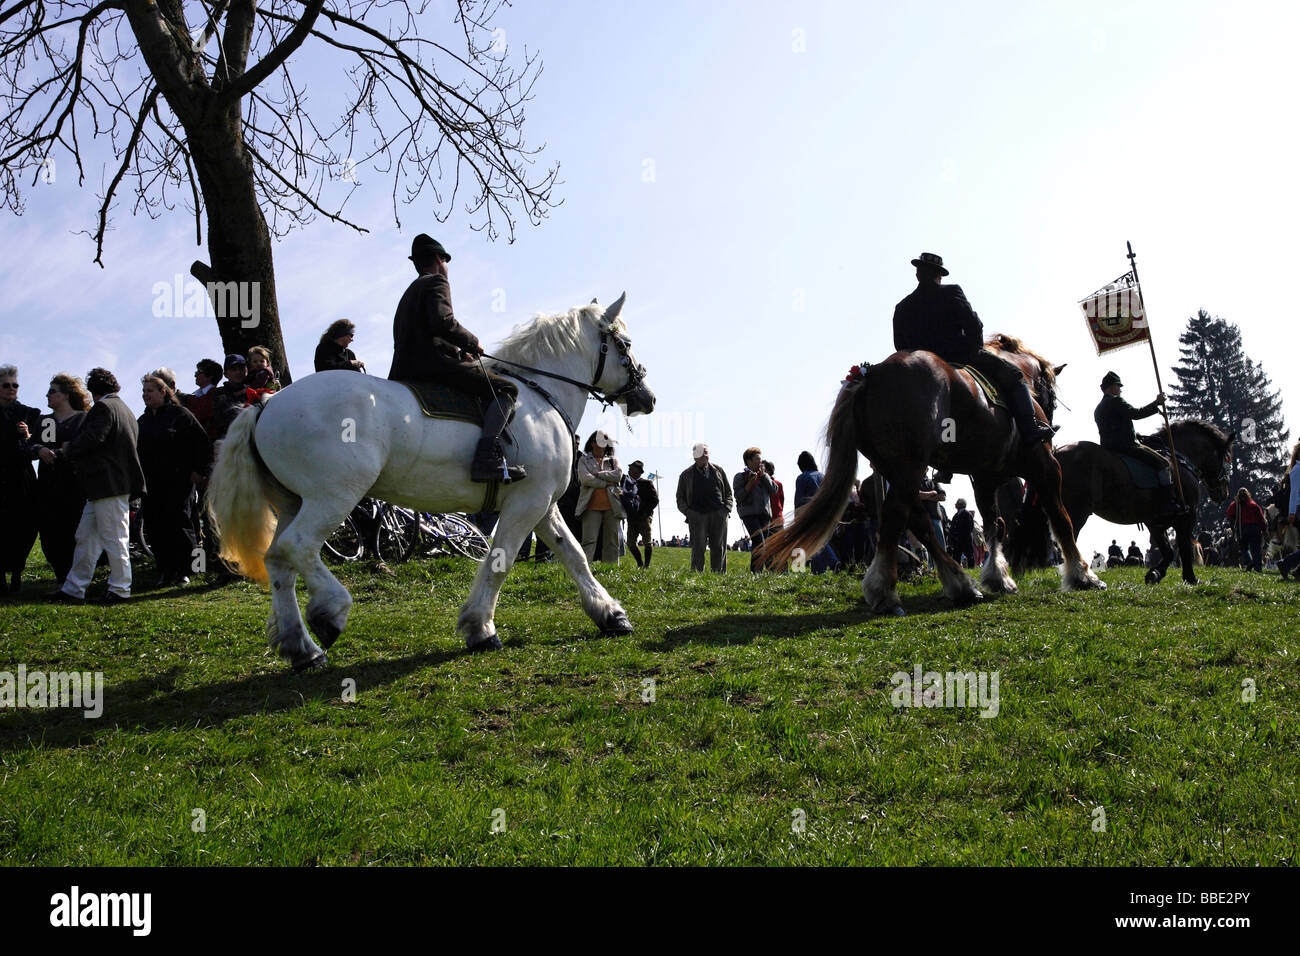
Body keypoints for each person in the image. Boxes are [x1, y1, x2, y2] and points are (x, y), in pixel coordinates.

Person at [388, 234, 524, 483]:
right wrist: (473, 342)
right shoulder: (437, 281)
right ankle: (485, 460)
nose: (447, 267)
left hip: (404, 368)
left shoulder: (409, 292)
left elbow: (426, 331)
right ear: (440, 259)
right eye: (446, 261)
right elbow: (442, 322)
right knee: (506, 389)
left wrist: (459, 352)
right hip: (431, 366)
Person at [892, 252, 1056, 445]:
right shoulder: (951, 291)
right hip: (960, 354)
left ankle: (944, 453)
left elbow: (900, 345)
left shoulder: (902, 306)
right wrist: (975, 347)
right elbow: (972, 325)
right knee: (1016, 377)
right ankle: (1030, 429)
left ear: (918, 274)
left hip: (919, 364)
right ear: (939, 275)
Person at [41, 368, 145, 604]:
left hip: (107, 484)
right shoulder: (125, 410)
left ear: (93, 389)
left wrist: (65, 450)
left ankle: (120, 589)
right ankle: (74, 588)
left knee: (115, 538)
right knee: (86, 537)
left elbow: (93, 439)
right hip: (107, 485)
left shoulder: (103, 408)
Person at [137, 374, 211, 586]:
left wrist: (199, 470)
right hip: (151, 483)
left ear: (163, 392)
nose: (145, 395)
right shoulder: (142, 421)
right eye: (143, 392)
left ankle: (184, 570)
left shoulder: (180, 415)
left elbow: (201, 442)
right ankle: (164, 570)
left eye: (149, 391)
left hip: (177, 482)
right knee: (155, 526)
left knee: (179, 524)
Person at [1094, 371, 1188, 517]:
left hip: (1108, 448)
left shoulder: (1098, 408)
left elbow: (1113, 427)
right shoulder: (1116, 401)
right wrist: (1156, 403)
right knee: (1163, 463)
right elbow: (1136, 414)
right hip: (1127, 446)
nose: (1120, 390)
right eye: (1118, 386)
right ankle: (1168, 502)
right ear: (1112, 387)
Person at [33, 374, 90, 587]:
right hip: (48, 485)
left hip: (74, 485)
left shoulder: (82, 419)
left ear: (65, 394)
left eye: (52, 391)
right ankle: (61, 577)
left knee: (74, 531)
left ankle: (77, 579)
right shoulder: (45, 421)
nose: (48, 395)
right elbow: (31, 445)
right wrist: (39, 449)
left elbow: (85, 446)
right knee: (50, 532)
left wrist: (65, 451)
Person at [0, 364, 44, 592]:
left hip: (21, 478)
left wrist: (29, 436)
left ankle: (17, 572)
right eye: (6, 385)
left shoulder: (30, 413)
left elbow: (44, 443)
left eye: (15, 385)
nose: (11, 389)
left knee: (24, 525)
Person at [676, 441, 732, 572]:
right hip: (697, 515)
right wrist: (688, 512)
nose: (705, 456)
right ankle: (696, 574)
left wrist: (726, 508)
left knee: (718, 547)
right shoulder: (686, 475)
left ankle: (718, 575)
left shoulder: (718, 470)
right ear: (695, 456)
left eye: (706, 453)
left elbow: (728, 492)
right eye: (702, 454)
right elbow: (680, 498)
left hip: (719, 513)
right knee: (698, 547)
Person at [575, 430, 623, 564]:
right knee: (588, 541)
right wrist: (607, 482)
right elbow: (585, 479)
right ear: (592, 443)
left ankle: (611, 569)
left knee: (612, 542)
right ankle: (584, 568)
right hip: (590, 506)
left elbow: (618, 475)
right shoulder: (583, 459)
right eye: (598, 441)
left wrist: (598, 474)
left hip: (612, 506)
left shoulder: (613, 460)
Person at [794, 450, 840, 573]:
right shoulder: (823, 476)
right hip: (828, 512)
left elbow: (799, 500)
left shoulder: (802, 478)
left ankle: (833, 562)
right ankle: (819, 570)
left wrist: (796, 518)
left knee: (815, 540)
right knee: (819, 539)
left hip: (811, 513)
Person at [734, 446, 777, 573]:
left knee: (762, 543)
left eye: (761, 459)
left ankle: (756, 571)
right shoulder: (740, 477)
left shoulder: (765, 476)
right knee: (759, 540)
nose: (760, 462)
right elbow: (739, 496)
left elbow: (774, 490)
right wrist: (749, 484)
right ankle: (756, 571)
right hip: (749, 513)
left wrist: (765, 476)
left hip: (764, 514)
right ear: (749, 461)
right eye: (757, 460)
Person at [210, 354, 261, 441]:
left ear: (246, 371)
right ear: (226, 374)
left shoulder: (256, 390)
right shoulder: (219, 393)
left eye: (241, 369)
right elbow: (228, 416)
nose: (238, 372)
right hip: (230, 441)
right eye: (233, 369)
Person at [626, 460, 659, 568]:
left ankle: (646, 565)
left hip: (644, 517)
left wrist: (645, 512)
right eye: (630, 468)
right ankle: (640, 563)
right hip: (632, 518)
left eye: (632, 469)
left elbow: (655, 500)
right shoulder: (627, 483)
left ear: (638, 472)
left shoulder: (647, 483)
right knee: (630, 543)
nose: (629, 470)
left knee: (647, 542)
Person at [1226, 487, 1266, 572]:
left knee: (1243, 548)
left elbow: (1229, 514)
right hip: (1255, 529)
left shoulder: (1235, 505)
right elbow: (1261, 518)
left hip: (1242, 529)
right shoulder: (1254, 505)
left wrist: (1233, 525)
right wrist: (1264, 529)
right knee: (1256, 549)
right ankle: (1258, 569)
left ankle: (1248, 561)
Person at [1278, 443, 1300, 579]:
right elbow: (1294, 492)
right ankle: (1286, 563)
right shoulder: (1297, 470)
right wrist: (1292, 512)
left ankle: (1296, 570)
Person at [949, 497, 976, 568]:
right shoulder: (956, 515)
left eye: (957, 503)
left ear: (960, 504)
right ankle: (957, 570)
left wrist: (963, 538)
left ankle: (971, 569)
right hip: (957, 541)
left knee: (970, 556)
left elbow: (969, 528)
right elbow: (952, 528)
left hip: (965, 540)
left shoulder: (967, 514)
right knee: (956, 557)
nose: (955, 504)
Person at [764, 460, 785, 530]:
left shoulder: (777, 484)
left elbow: (781, 501)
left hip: (776, 519)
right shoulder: (760, 484)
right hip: (769, 520)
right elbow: (781, 502)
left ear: (768, 471)